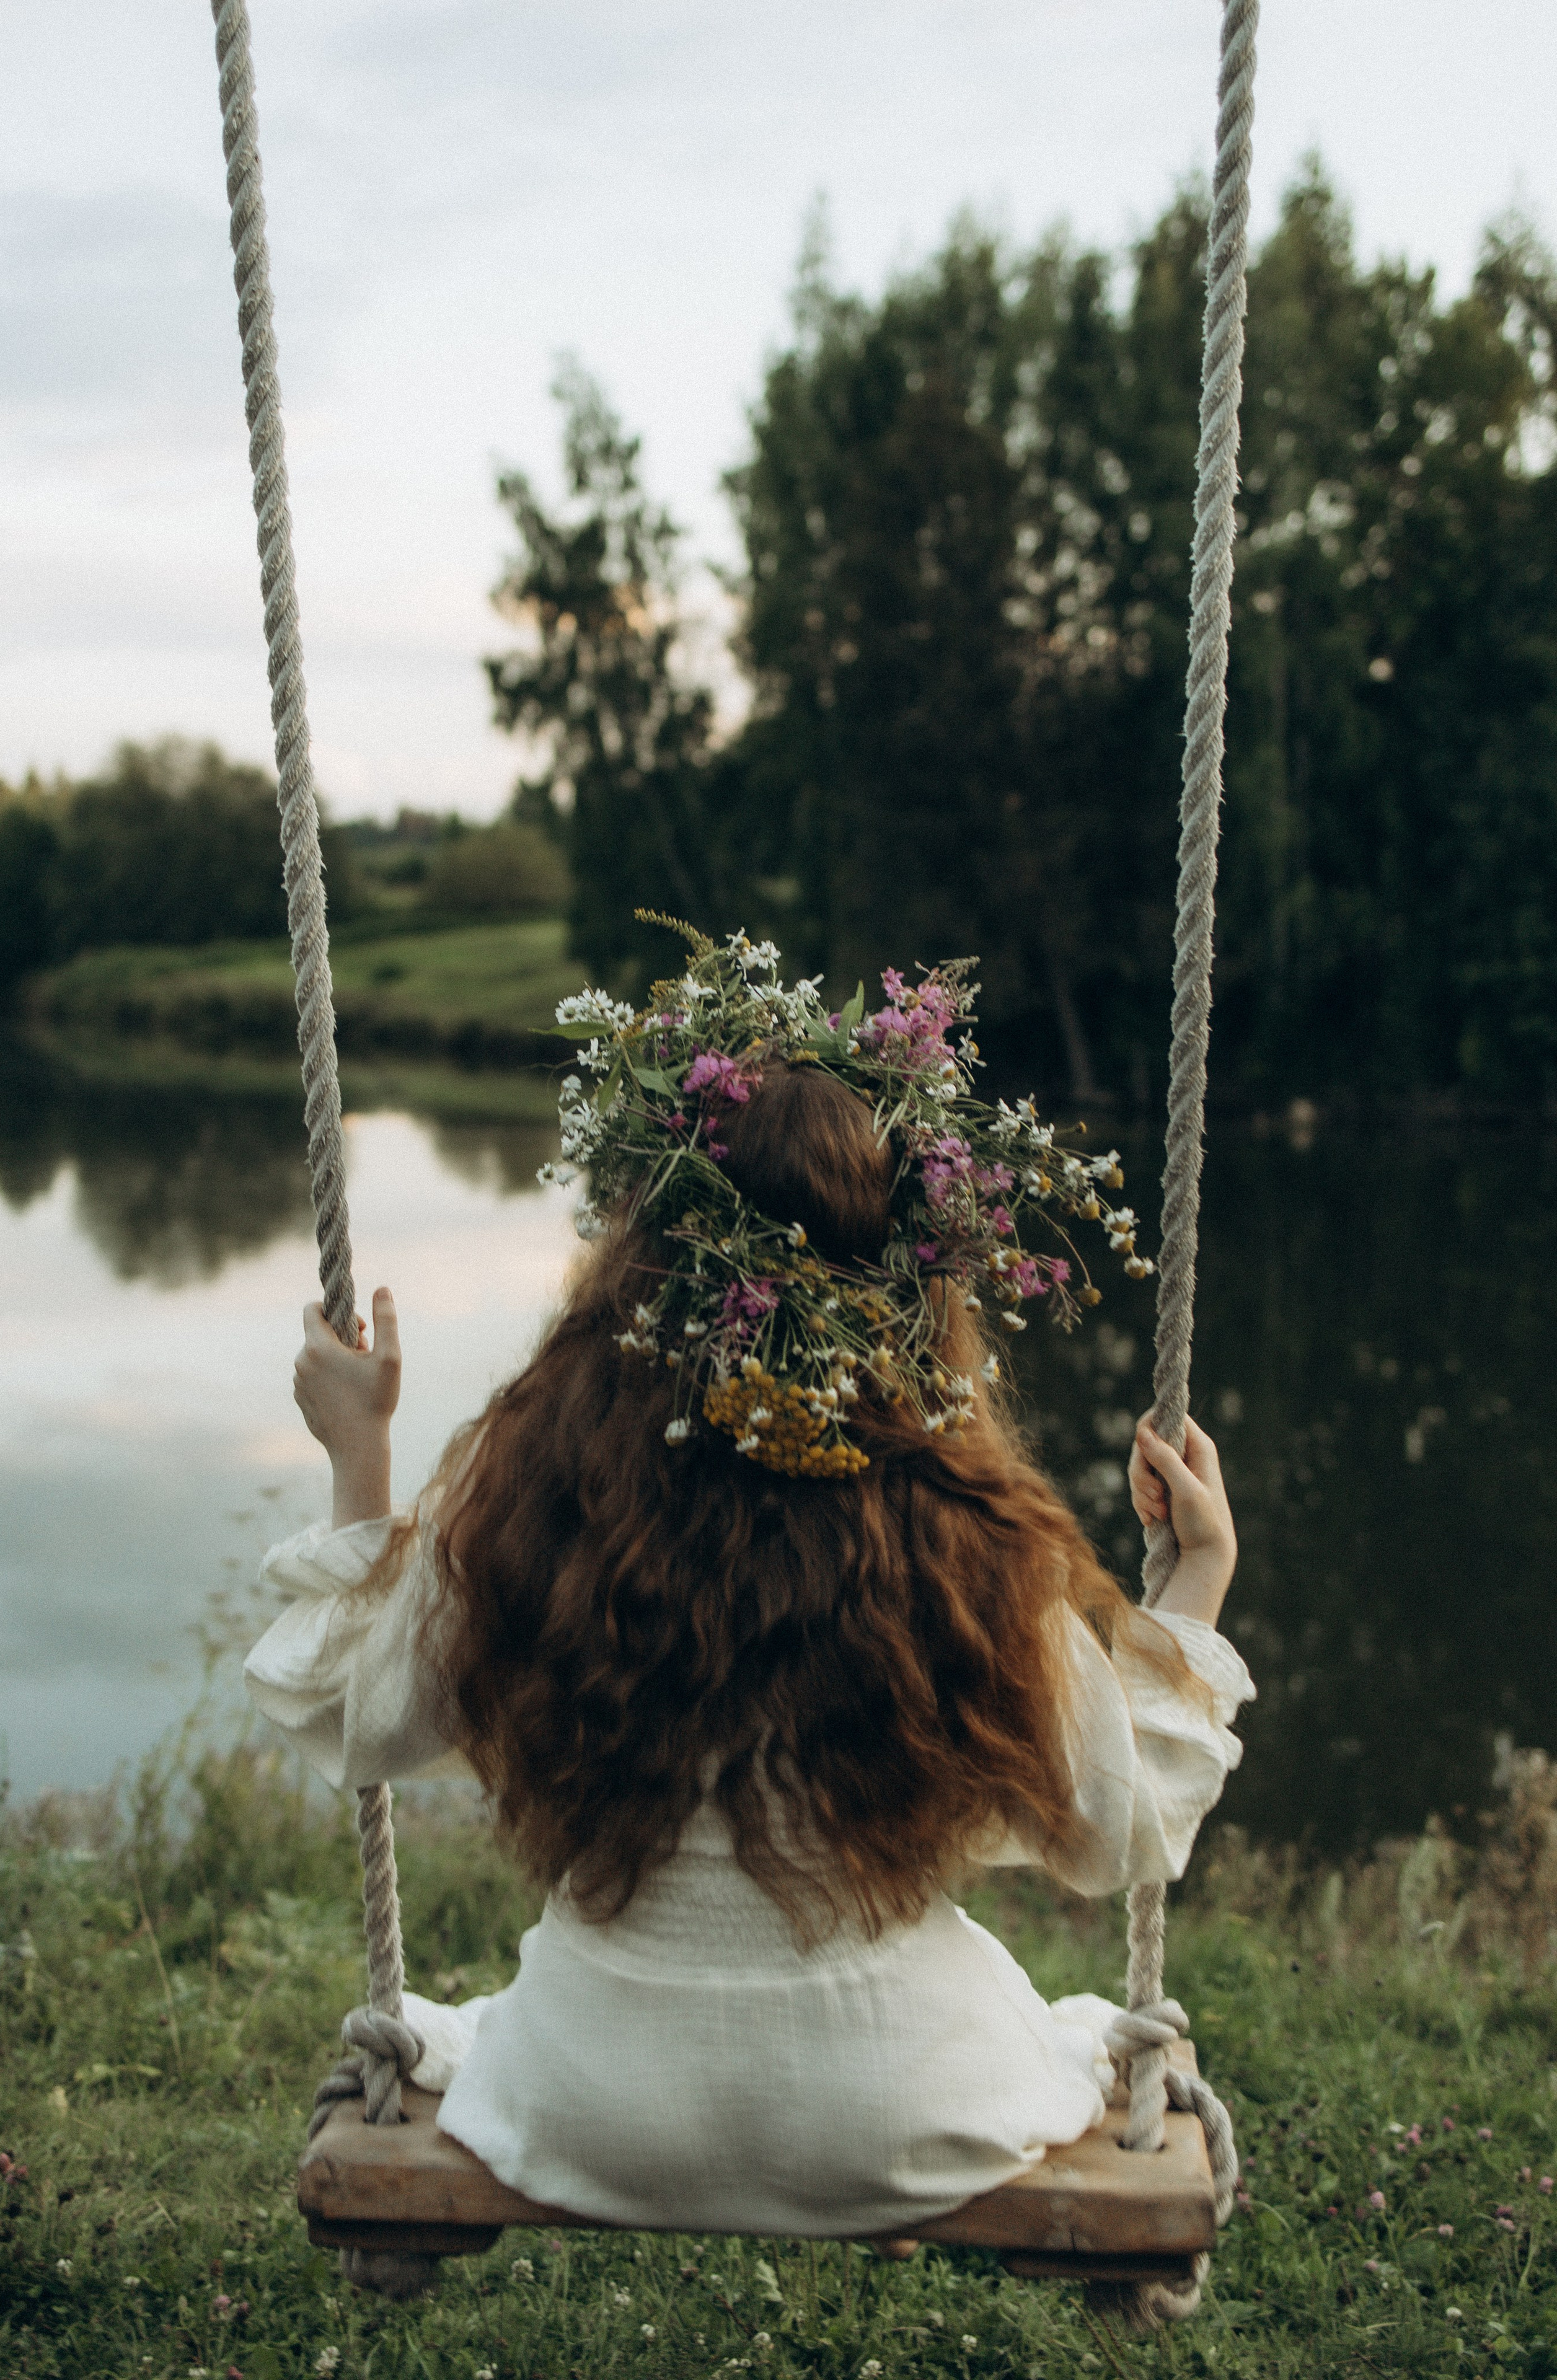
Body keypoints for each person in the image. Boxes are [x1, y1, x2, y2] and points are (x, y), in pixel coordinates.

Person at [245, 938, 1251, 2239]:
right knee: (1039, 2026)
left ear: (644, 1259)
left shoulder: (550, 1497)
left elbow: (355, 1714)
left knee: (509, 2022)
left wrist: (359, 1453)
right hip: (897, 2105)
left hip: (593, 2104)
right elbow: (1113, 1831)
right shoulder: (957, 1542)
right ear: (903, 1280)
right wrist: (1200, 1576)